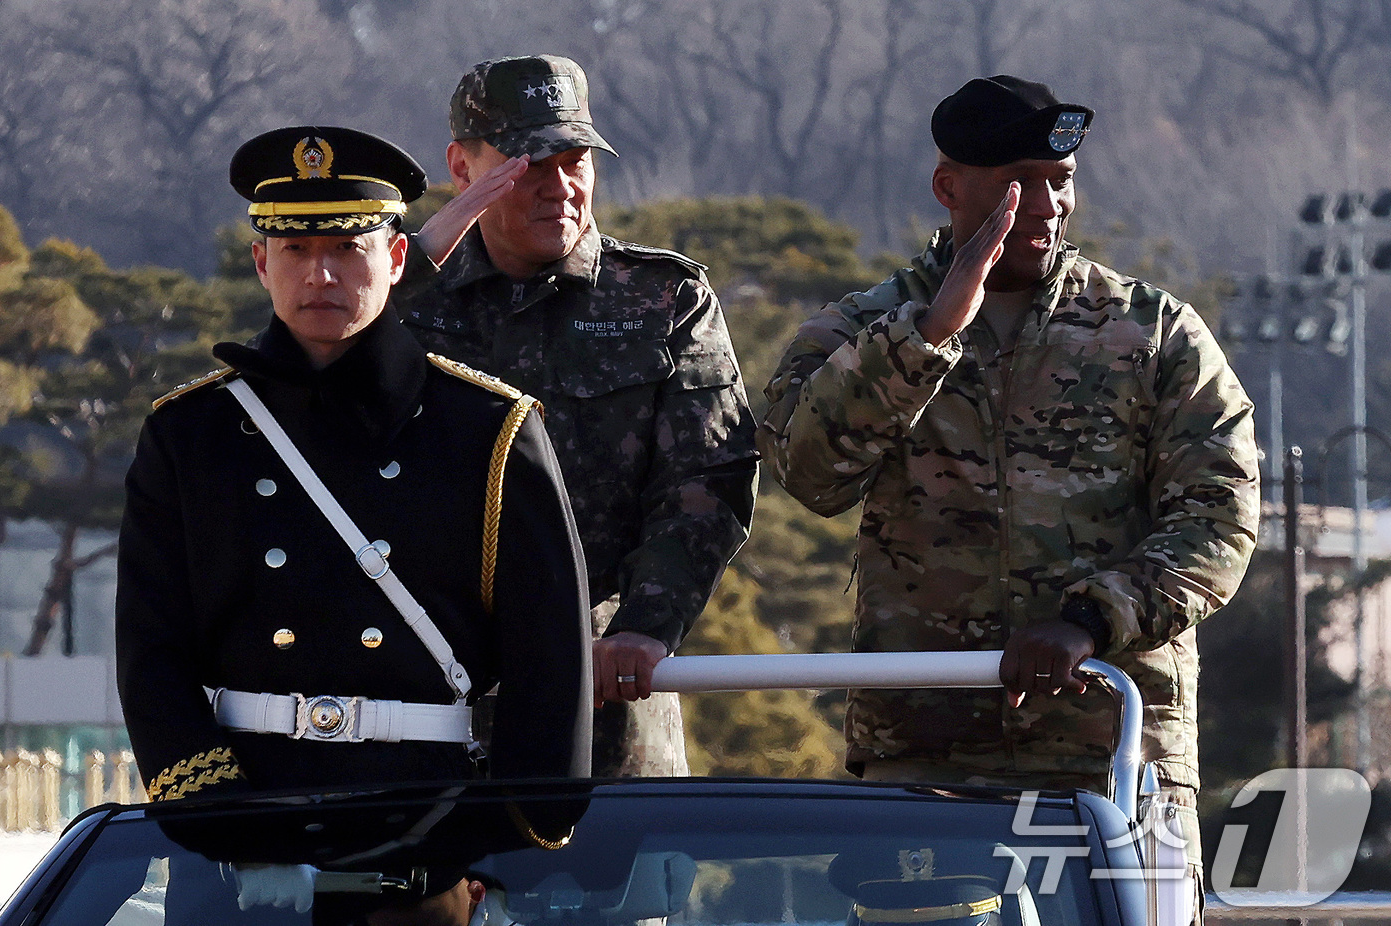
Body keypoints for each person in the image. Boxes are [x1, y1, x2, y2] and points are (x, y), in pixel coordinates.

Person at [759, 75, 1260, 915]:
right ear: (950, 188)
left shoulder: (1154, 331)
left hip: (1111, 750)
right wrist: (928, 336)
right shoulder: (857, 332)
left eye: (1061, 182)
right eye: (1019, 184)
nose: (1048, 206)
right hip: (925, 756)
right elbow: (808, 476)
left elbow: (1221, 516)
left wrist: (1090, 619)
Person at [116, 124, 593, 801]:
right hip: (241, 803)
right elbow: (150, 647)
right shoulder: (190, 432)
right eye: (296, 249)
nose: (321, 274)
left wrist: (501, 836)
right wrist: (211, 812)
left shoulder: (489, 428)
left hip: (424, 806)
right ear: (261, 263)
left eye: (348, 247)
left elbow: (549, 658)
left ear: (398, 257)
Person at [393, 55, 759, 776]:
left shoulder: (662, 299)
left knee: (627, 888)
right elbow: (306, 395)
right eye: (529, 164)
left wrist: (647, 629)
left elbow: (707, 478)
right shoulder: (404, 303)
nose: (559, 187)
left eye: (575, 161)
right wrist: (414, 263)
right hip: (423, 694)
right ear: (462, 170)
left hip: (605, 691)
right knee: (430, 890)